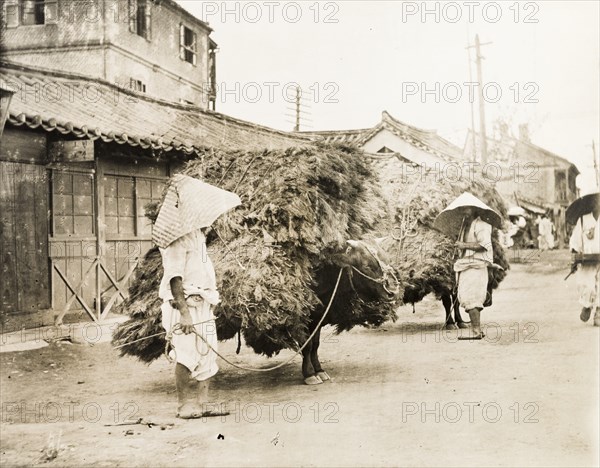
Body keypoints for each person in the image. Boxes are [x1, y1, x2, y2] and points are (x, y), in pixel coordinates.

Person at [153, 174, 240, 418]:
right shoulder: (176, 240)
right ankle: (184, 406)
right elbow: (174, 278)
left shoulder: (198, 236)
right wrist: (184, 314)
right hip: (184, 307)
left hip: (204, 305)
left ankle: (203, 404)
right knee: (186, 355)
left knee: (208, 354)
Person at [454, 206, 494, 340]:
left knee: (472, 297)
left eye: (466, 209)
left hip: (477, 265)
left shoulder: (481, 225)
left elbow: (484, 245)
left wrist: (464, 245)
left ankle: (476, 331)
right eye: (461, 209)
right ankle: (476, 330)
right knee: (465, 295)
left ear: (474, 210)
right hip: (466, 264)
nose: (463, 212)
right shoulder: (464, 226)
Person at [569, 204, 600, 327]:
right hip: (588, 259)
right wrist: (574, 256)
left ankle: (599, 311)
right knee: (586, 285)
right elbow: (575, 240)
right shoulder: (583, 219)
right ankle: (587, 305)